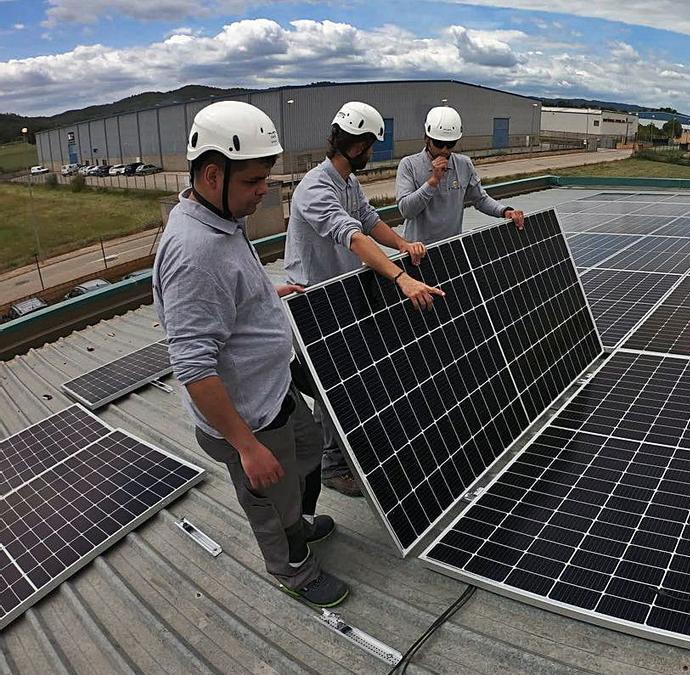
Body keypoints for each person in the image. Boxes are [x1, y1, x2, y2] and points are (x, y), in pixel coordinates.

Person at [152, 101, 348, 608]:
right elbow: (194, 367)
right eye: (254, 181)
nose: (265, 190)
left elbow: (232, 291)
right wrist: (246, 446)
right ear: (212, 174)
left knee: (306, 453)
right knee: (270, 498)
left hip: (273, 392)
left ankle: (298, 523)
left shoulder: (219, 217)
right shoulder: (195, 254)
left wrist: (265, 296)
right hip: (248, 419)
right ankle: (294, 569)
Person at [285, 101, 443, 497]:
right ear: (356, 146)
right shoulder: (315, 188)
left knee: (344, 379)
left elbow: (370, 223)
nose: (371, 153)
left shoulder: (348, 184)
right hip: (314, 300)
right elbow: (353, 237)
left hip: (341, 291)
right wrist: (401, 277)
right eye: (370, 145)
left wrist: (403, 243)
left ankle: (344, 453)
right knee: (328, 386)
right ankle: (332, 466)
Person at [395, 104, 526, 244]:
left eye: (450, 144)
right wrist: (433, 181)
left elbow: (480, 199)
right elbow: (406, 211)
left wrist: (504, 211)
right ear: (427, 138)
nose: (444, 150)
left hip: (452, 246)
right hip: (417, 250)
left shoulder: (464, 164)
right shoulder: (408, 165)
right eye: (439, 143)